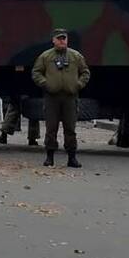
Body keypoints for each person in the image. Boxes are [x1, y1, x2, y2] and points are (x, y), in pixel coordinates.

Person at [31, 29, 89, 168]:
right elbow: (36, 72)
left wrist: (78, 84)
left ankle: (72, 158)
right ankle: (49, 157)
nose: (62, 41)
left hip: (70, 97)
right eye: (59, 38)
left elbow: (85, 72)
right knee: (51, 128)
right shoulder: (46, 56)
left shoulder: (75, 56)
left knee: (70, 128)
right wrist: (45, 83)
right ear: (53, 40)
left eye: (64, 38)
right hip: (52, 97)